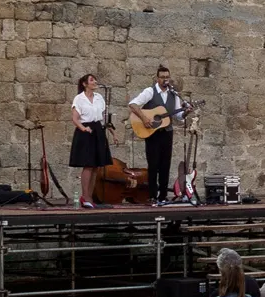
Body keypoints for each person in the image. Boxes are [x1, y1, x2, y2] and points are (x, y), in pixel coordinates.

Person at [128, 65, 192, 204]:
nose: (165, 80)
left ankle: (163, 196)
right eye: (162, 77)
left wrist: (186, 112)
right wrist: (145, 119)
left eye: (167, 77)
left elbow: (179, 115)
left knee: (165, 165)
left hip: (167, 133)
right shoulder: (150, 92)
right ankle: (152, 196)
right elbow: (133, 104)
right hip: (153, 134)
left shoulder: (173, 95)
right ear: (157, 79)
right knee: (153, 165)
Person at [69, 74, 117, 208]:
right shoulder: (79, 99)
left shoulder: (99, 98)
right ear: (85, 84)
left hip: (97, 130)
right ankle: (85, 196)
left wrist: (113, 133)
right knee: (88, 164)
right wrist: (83, 128)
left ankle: (90, 196)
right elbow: (75, 118)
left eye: (95, 79)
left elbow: (103, 119)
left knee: (96, 165)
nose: (95, 82)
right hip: (86, 131)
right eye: (91, 80)